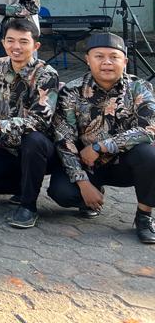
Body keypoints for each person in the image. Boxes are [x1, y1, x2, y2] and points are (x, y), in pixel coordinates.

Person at [48, 32, 155, 244]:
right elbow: (64, 138)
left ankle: (144, 217)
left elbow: (149, 129)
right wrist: (83, 183)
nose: (107, 62)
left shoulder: (139, 87)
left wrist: (101, 147)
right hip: (88, 164)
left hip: (126, 163)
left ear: (125, 61)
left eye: (114, 57)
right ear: (88, 59)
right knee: (62, 192)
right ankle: (90, 197)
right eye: (99, 56)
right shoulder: (72, 91)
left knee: (150, 155)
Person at [0, 19, 59, 229]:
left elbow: (40, 121)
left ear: (36, 45)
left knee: (33, 140)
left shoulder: (46, 74)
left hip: (38, 150)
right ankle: (22, 184)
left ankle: (28, 206)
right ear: (3, 43)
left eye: (23, 42)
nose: (16, 47)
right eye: (10, 40)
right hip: (6, 147)